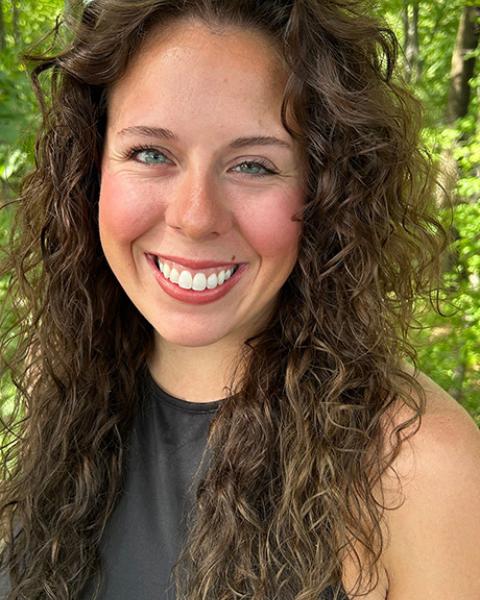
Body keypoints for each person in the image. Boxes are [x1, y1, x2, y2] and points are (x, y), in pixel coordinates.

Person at [1, 0, 479, 598]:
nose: (196, 217)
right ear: (90, 170)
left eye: (253, 165)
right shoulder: (65, 383)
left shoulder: (414, 464)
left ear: (327, 191)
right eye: (151, 153)